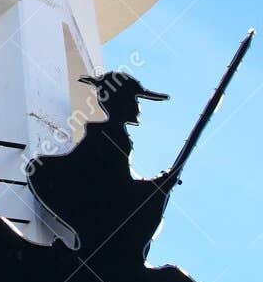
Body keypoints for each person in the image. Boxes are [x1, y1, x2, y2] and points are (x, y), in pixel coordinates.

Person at [27, 71, 178, 262]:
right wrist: (158, 186)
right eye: (134, 100)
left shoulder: (112, 137)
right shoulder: (108, 138)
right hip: (93, 214)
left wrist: (159, 184)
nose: (138, 107)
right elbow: (116, 188)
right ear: (119, 103)